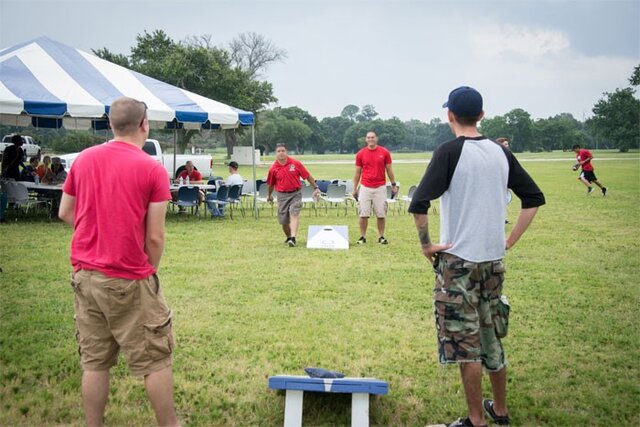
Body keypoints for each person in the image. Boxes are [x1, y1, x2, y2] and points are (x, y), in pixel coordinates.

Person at [408, 86, 545, 427]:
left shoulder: (448, 152)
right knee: (490, 333)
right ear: (481, 115)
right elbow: (533, 199)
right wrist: (508, 241)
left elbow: (418, 204)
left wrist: (426, 245)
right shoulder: (501, 153)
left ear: (449, 115)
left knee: (464, 343)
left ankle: (474, 420)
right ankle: (499, 410)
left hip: (458, 264)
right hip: (493, 263)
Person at [58, 97, 179, 427]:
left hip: (85, 276)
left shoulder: (83, 160)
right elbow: (155, 237)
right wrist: (148, 268)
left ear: (111, 124)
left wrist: (97, 230)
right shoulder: (151, 168)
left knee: (94, 361)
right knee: (155, 359)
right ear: (145, 124)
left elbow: (65, 212)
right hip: (129, 277)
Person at [267, 143, 320, 247]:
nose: (281, 153)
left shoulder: (295, 164)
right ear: (275, 154)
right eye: (279, 151)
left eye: (283, 151)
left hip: (296, 193)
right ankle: (288, 237)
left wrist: (316, 187)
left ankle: (293, 238)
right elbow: (271, 184)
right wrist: (269, 196)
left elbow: (307, 176)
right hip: (282, 195)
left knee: (294, 213)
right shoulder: (273, 169)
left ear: (286, 152)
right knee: (283, 221)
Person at [351, 131, 397, 245]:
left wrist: (393, 185)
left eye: (372, 137)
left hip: (380, 187)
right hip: (365, 187)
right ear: (366, 140)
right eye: (368, 137)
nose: (371, 139)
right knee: (363, 214)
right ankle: (362, 236)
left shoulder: (384, 152)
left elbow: (389, 170)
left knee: (381, 213)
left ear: (376, 138)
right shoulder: (361, 154)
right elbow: (357, 173)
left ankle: (381, 237)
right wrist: (354, 188)